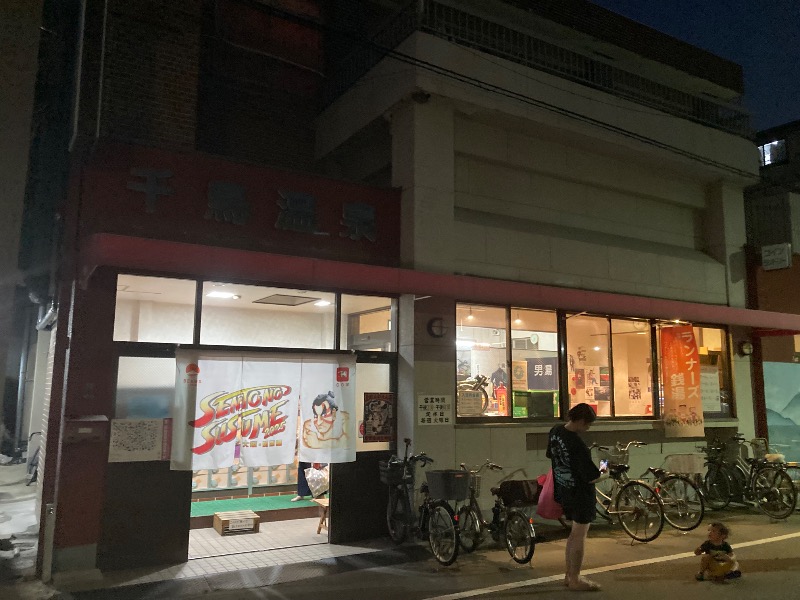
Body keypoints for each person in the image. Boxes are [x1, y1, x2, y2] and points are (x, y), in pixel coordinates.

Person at [547, 403, 606, 592]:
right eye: (587, 424)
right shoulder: (577, 444)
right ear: (581, 421)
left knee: (573, 535)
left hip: (564, 490)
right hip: (580, 494)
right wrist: (605, 469)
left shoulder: (555, 431)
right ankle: (574, 579)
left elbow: (551, 455)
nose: (588, 428)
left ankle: (569, 574)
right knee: (579, 536)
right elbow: (591, 476)